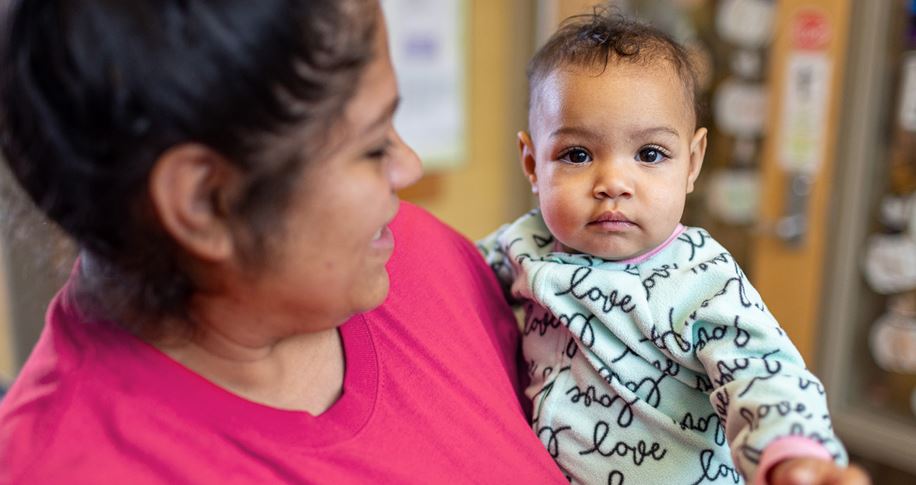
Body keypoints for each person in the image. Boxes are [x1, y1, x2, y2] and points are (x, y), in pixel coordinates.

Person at [0, 0, 568, 483]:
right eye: (372, 147)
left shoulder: (417, 256)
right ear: (204, 200)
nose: (409, 167)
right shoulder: (68, 465)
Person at [478, 9, 869, 485]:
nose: (614, 183)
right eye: (577, 155)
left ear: (692, 162)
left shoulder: (701, 281)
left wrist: (791, 455)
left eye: (649, 154)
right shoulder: (527, 242)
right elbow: (453, 276)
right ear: (533, 163)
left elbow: (763, 374)